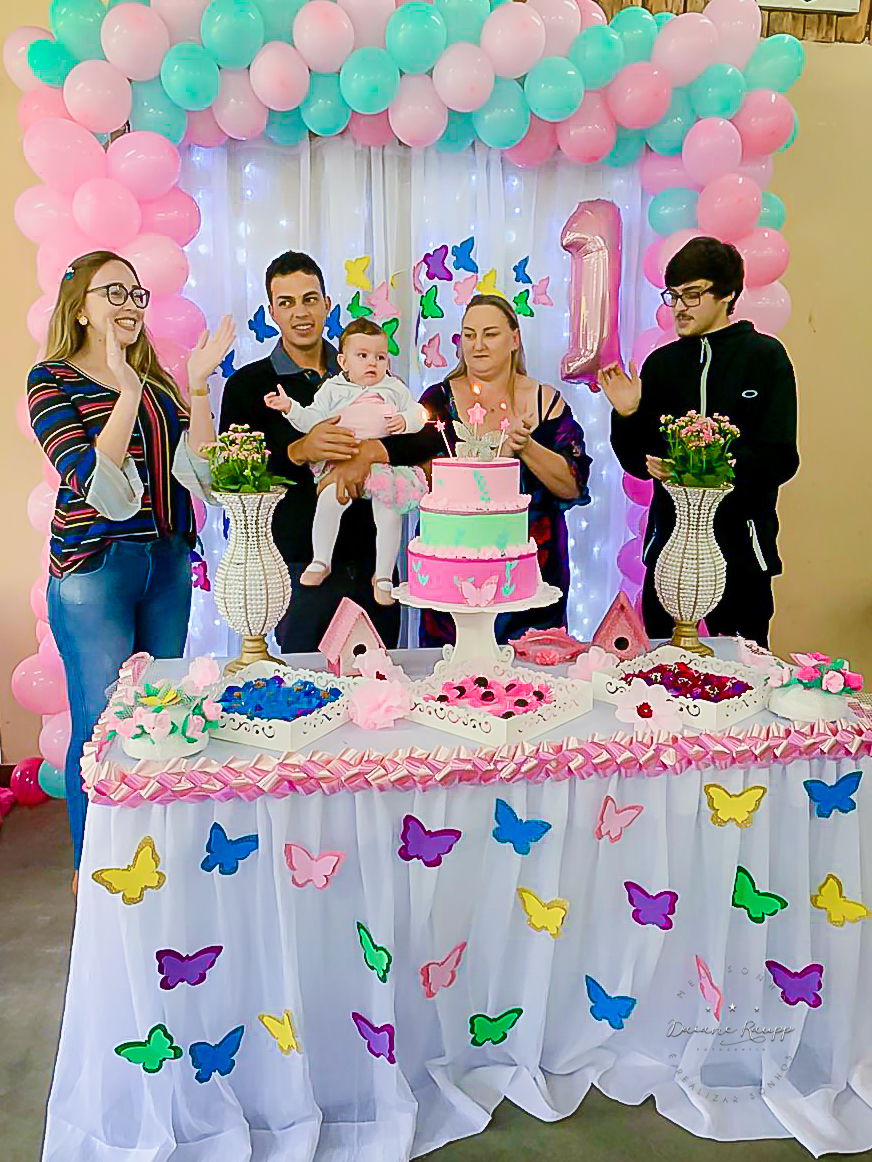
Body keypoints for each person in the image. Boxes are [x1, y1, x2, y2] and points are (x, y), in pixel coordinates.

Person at [27, 250, 234, 883]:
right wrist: (124, 392)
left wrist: (196, 387)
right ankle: (94, 872)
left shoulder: (155, 381)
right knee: (101, 724)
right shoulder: (51, 380)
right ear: (80, 309)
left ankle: (147, 862)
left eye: (135, 293)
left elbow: (200, 471)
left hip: (166, 564)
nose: (129, 304)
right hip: (95, 572)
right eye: (113, 292)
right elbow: (95, 480)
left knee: (160, 716)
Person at [219, 251, 435, 649]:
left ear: (327, 304)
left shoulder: (368, 369)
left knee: (380, 680)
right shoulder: (248, 385)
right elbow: (235, 472)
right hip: (300, 568)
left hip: (374, 563)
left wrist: (372, 452)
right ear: (272, 312)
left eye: (310, 299)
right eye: (286, 302)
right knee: (306, 679)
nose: (300, 312)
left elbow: (425, 436)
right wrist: (299, 450)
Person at [600, 236, 799, 647]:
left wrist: (703, 465)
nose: (680, 307)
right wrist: (627, 414)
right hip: (669, 556)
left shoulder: (765, 358)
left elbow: (781, 458)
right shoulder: (662, 364)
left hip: (741, 555)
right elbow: (637, 462)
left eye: (692, 294)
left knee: (744, 665)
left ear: (727, 294)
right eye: (673, 295)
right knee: (661, 667)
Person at [417, 294, 592, 647]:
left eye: (490, 334)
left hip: (533, 571)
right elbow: (418, 477)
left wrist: (527, 446)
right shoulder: (437, 403)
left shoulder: (546, 402)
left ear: (514, 339)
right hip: (456, 573)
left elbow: (572, 487)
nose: (477, 345)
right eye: (469, 335)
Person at [264, 318, 427, 606]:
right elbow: (311, 420)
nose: (372, 363)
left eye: (380, 357)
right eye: (362, 355)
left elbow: (418, 414)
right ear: (343, 361)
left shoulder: (393, 387)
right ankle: (321, 559)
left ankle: (383, 576)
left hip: (381, 467)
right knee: (329, 501)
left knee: (389, 512)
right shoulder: (332, 389)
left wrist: (406, 420)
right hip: (340, 463)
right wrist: (290, 408)